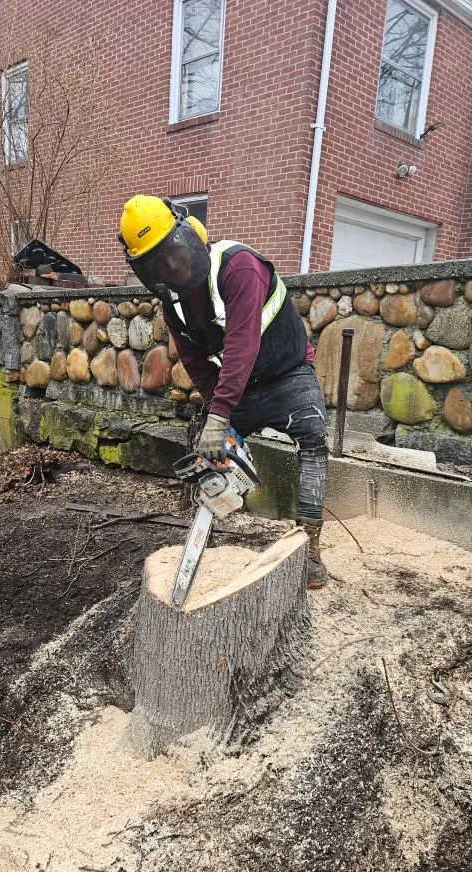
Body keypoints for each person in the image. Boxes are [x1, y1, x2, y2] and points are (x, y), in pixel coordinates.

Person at [118, 194, 329, 588]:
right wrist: (218, 421)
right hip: (238, 385)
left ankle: (310, 546)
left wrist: (220, 414)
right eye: (154, 264)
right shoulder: (173, 301)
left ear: (186, 237)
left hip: (288, 371)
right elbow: (198, 364)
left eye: (170, 255)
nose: (168, 267)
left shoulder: (239, 266)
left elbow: (241, 344)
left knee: (313, 438)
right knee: (209, 454)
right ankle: (203, 534)